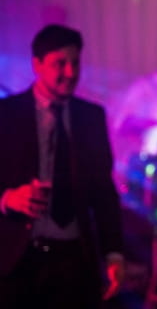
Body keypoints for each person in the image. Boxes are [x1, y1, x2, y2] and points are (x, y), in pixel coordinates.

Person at [0, 24, 125, 308]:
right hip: (16, 260)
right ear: (37, 65)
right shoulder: (6, 114)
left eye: (75, 63)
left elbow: (104, 193)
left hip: (74, 259)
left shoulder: (91, 117)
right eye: (60, 63)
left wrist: (114, 253)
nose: (70, 73)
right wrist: (7, 199)